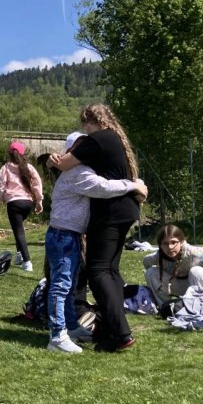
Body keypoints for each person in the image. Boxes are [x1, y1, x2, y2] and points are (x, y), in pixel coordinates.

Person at [43, 132, 148, 353]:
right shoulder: (78, 172)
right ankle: (57, 335)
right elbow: (103, 188)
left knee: (69, 285)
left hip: (68, 234)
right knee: (61, 286)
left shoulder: (77, 169)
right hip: (63, 235)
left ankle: (70, 326)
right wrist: (133, 185)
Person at [143, 226, 203, 307]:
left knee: (196, 271)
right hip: (180, 284)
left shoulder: (194, 253)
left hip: (200, 283)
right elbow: (146, 262)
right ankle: (166, 307)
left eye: (173, 242)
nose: (170, 247)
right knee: (150, 272)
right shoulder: (157, 257)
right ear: (160, 245)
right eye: (165, 243)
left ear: (181, 241)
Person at [0, 141, 44, 271]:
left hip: (14, 202)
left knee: (18, 231)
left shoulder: (6, 167)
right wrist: (39, 201)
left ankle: (27, 262)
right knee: (19, 227)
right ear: (23, 153)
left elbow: (1, 184)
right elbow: (37, 183)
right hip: (27, 203)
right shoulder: (29, 167)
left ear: (10, 153)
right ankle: (19, 255)